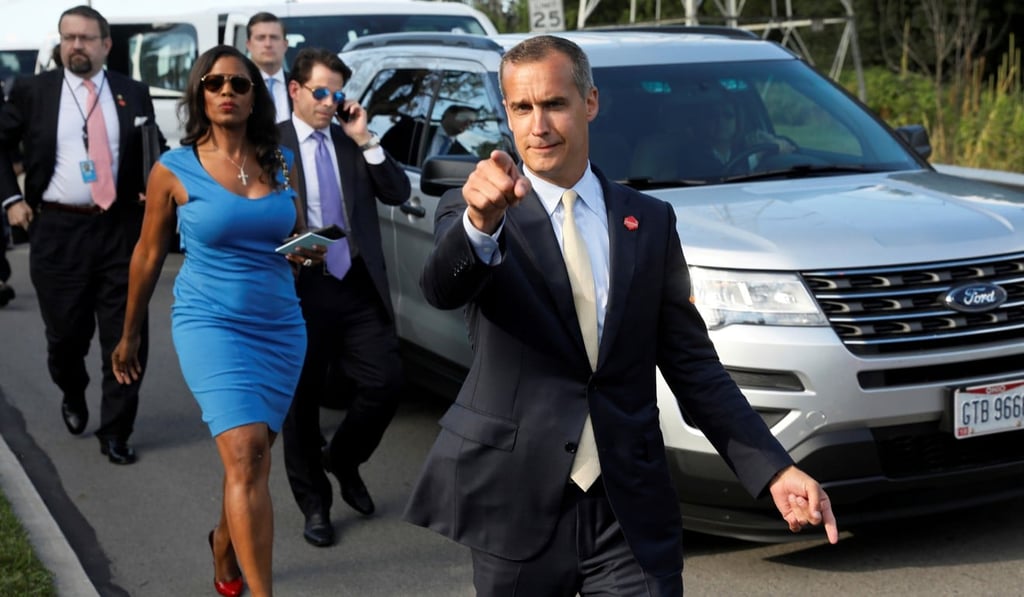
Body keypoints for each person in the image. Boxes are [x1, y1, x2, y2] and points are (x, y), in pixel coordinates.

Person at [404, 35, 839, 595]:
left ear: (590, 103)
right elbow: (441, 287)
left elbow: (694, 367)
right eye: (522, 108)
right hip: (516, 504)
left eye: (555, 104)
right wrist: (479, 225)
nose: (538, 126)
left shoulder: (649, 222)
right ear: (507, 113)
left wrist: (774, 469)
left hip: (627, 512)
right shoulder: (474, 211)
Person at [111, 45, 323, 597]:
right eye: (214, 83)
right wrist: (130, 333)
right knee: (248, 451)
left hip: (280, 325)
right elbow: (148, 255)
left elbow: (285, 237)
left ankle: (225, 548)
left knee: (251, 461)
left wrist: (302, 252)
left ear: (255, 96)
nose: (226, 91)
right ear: (200, 96)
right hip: (211, 323)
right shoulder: (172, 169)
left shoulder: (280, 161)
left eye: (239, 83)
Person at [0, 5, 165, 463]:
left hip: (120, 230)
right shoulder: (34, 91)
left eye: (85, 38)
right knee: (66, 337)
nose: (75, 45)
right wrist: (11, 200)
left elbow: (154, 150)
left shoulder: (132, 92)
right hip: (57, 230)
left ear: (105, 45)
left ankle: (115, 430)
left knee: (127, 333)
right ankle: (73, 391)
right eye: (68, 37)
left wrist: (154, 187)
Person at [278, 47, 410, 548]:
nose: (330, 103)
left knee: (387, 381)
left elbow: (396, 192)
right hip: (299, 286)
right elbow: (257, 216)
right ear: (295, 90)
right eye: (320, 92)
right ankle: (315, 504)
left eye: (337, 93)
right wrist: (303, 248)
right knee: (302, 405)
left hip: (355, 283)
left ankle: (344, 458)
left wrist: (367, 139)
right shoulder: (272, 144)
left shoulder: (350, 138)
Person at [246, 12, 290, 122]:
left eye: (274, 38)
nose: (268, 44)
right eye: (261, 38)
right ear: (249, 45)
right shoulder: (241, 85)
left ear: (285, 45)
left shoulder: (299, 85)